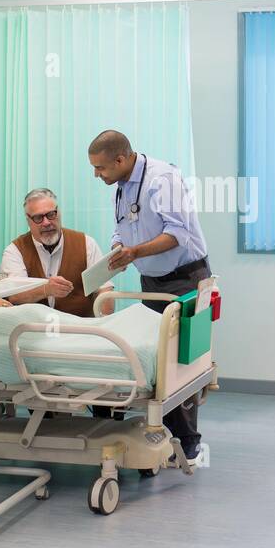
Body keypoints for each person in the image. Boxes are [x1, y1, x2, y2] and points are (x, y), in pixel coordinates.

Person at [88, 129, 209, 464]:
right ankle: (159, 435)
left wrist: (135, 251)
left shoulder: (163, 179)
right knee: (156, 362)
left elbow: (178, 234)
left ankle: (187, 444)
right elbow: (123, 226)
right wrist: (117, 248)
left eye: (101, 168)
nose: (97, 175)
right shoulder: (124, 185)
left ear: (121, 159)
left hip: (184, 279)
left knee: (178, 364)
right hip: (152, 280)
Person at [0, 188, 112, 316]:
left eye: (51, 214)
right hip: (33, 330)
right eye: (38, 218)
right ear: (28, 221)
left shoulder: (86, 244)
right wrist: (46, 290)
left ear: (59, 213)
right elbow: (15, 296)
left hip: (81, 329)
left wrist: (103, 324)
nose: (46, 222)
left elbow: (105, 290)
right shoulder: (14, 251)